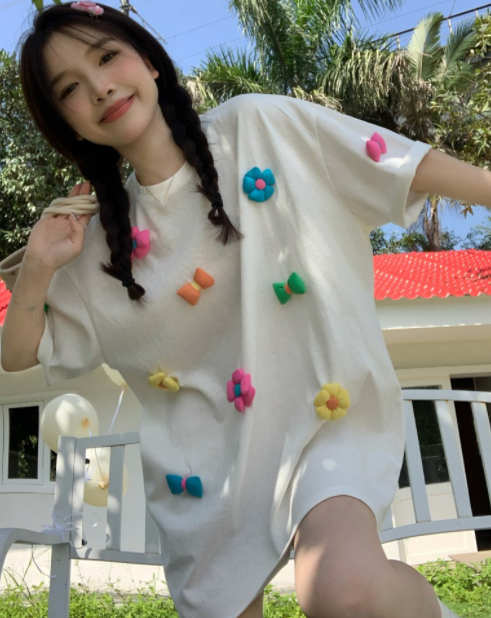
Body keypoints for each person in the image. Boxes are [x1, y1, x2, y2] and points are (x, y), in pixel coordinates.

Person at [2, 2, 490, 617]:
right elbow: (17, 355)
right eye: (70, 88)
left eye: (106, 57)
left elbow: (397, 162)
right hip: (202, 477)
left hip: (319, 420)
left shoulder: (255, 126)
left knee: (345, 590)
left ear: (149, 62)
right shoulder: (98, 245)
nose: (99, 87)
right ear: (66, 123)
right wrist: (38, 268)